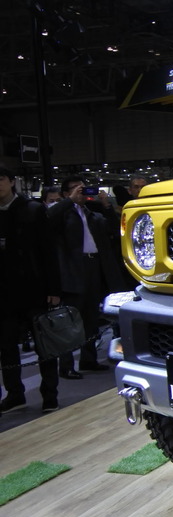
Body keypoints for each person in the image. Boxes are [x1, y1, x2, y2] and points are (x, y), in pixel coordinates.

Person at [48, 176, 128, 375]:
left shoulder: (93, 214)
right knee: (70, 320)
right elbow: (48, 218)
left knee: (91, 317)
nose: (81, 192)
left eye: (83, 188)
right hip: (73, 269)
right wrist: (69, 201)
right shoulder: (62, 213)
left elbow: (114, 229)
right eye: (75, 188)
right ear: (66, 193)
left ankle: (88, 359)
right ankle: (66, 366)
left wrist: (106, 205)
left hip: (95, 266)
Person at [0, 166, 62, 414]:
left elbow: (48, 251)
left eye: (1, 179)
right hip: (4, 292)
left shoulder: (33, 209)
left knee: (44, 344)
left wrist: (54, 288)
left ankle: (50, 395)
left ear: (11, 181)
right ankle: (15, 394)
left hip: (35, 289)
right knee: (6, 346)